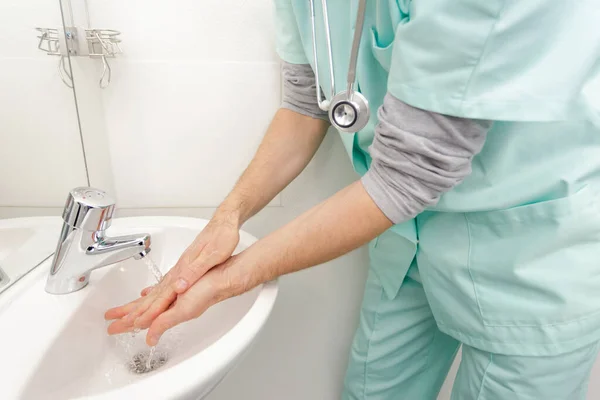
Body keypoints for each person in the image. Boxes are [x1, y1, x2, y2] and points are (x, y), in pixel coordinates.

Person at [105, 1, 600, 398]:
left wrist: (233, 277)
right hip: (406, 239)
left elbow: (408, 174)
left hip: (527, 251)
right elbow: (305, 103)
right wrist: (226, 219)